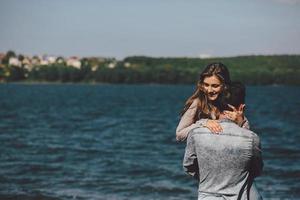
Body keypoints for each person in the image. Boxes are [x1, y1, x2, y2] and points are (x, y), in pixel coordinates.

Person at [183, 82, 263, 200]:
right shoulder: (251, 138)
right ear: (241, 108)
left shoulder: (196, 134)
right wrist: (242, 125)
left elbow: (188, 166)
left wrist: (209, 178)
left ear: (215, 106)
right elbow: (256, 171)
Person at [176, 62, 249, 141]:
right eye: (206, 85)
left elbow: (247, 139)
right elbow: (179, 134)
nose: (209, 90)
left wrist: (240, 121)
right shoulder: (198, 103)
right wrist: (203, 123)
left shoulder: (231, 102)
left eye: (215, 86)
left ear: (225, 86)